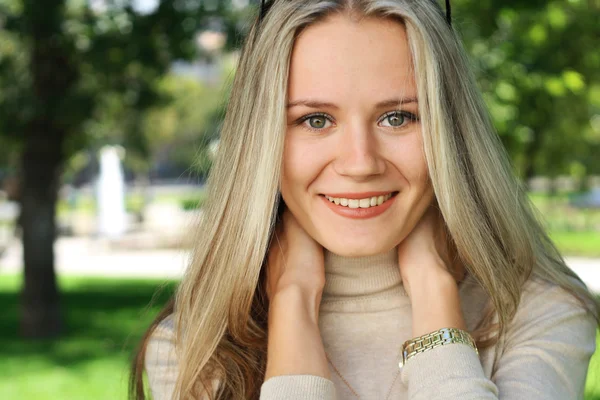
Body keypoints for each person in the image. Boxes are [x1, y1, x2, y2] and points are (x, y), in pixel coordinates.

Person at [130, 1, 599, 399]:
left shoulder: (541, 314)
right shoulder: (194, 348)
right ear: (262, 140)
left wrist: (434, 291)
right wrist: (293, 304)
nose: (360, 163)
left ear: (450, 131)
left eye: (398, 117)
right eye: (315, 120)